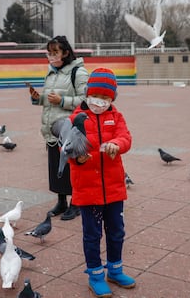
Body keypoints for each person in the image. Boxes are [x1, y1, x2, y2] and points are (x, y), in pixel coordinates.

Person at [68, 68, 135, 297]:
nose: (101, 102)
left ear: (112, 98)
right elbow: (65, 146)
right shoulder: (75, 117)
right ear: (88, 94)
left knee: (117, 232)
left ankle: (115, 271)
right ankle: (95, 275)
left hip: (114, 189)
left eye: (106, 98)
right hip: (88, 191)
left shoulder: (116, 116)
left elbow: (126, 137)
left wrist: (117, 143)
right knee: (92, 235)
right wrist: (77, 157)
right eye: (97, 96)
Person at [28, 35, 89, 220]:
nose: (51, 56)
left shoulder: (78, 73)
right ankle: (62, 201)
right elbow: (49, 99)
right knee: (57, 168)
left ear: (66, 52)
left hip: (69, 130)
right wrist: (38, 98)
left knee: (72, 169)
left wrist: (63, 101)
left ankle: (76, 204)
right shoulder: (51, 72)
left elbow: (87, 101)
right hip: (51, 129)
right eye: (49, 53)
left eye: (55, 52)